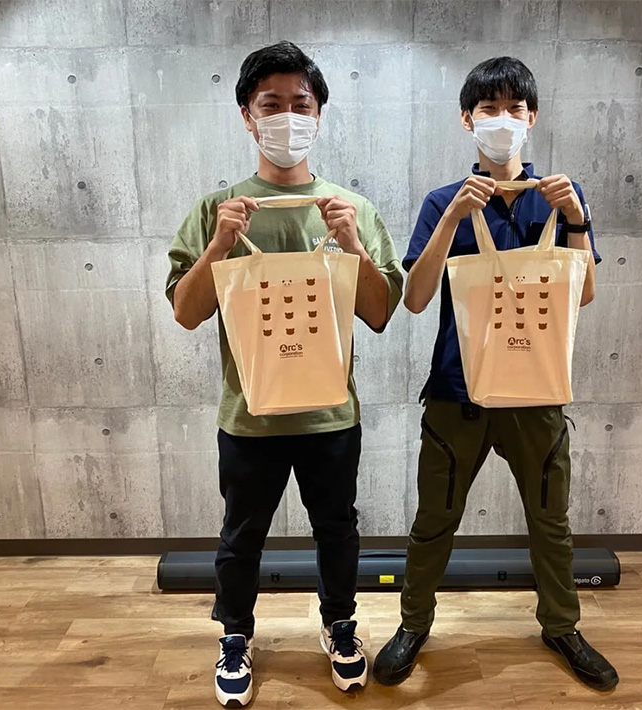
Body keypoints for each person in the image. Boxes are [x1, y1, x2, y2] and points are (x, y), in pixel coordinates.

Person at [166, 41, 404, 708]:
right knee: (242, 535)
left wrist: (353, 246)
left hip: (331, 413)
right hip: (249, 414)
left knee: (338, 529)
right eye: (270, 105)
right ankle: (235, 635)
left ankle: (340, 625)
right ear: (247, 116)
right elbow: (186, 312)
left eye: (300, 103)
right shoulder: (217, 209)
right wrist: (218, 245)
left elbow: (380, 313)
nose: (287, 117)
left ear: (319, 113)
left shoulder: (351, 209)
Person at [372, 56, 619, 692]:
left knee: (550, 520)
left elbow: (585, 295)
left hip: (537, 392)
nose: (502, 120)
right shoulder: (442, 201)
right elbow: (416, 299)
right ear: (467, 119)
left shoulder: (560, 197)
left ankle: (561, 625)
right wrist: (452, 218)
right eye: (489, 109)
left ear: (532, 118)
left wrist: (575, 219)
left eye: (514, 108)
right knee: (434, 520)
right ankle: (413, 624)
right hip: (457, 393)